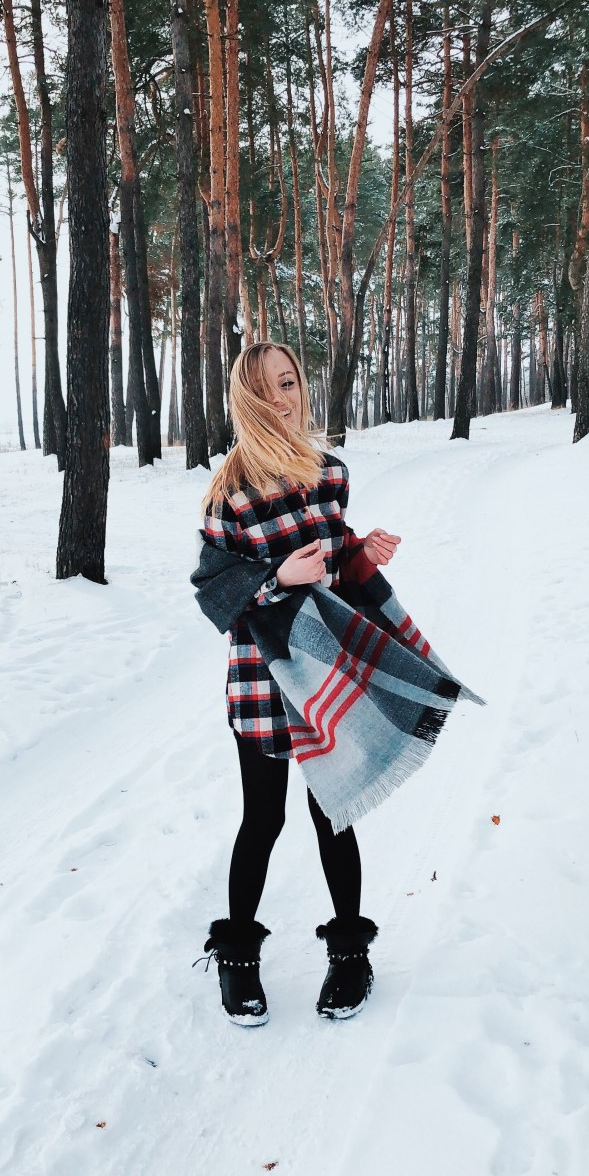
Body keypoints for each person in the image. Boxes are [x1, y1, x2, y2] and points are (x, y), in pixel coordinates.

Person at [194, 342, 401, 1026]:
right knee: (265, 817)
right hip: (263, 675)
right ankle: (238, 961)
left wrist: (359, 556)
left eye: (288, 382)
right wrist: (276, 577)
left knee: (331, 810)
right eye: (264, 389)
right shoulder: (230, 493)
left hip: (326, 668)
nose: (280, 397)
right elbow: (213, 593)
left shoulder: (329, 472)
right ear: (245, 400)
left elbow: (336, 557)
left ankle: (350, 955)